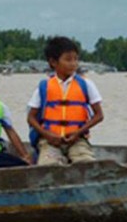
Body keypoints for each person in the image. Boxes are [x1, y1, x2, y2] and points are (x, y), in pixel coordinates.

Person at [27, 36, 104, 165]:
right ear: (53, 62)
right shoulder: (44, 87)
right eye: (68, 59)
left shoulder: (86, 84)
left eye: (76, 59)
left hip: (77, 139)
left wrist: (78, 133)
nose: (73, 63)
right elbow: (31, 118)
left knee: (86, 164)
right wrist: (47, 135)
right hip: (50, 141)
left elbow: (99, 115)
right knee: (48, 166)